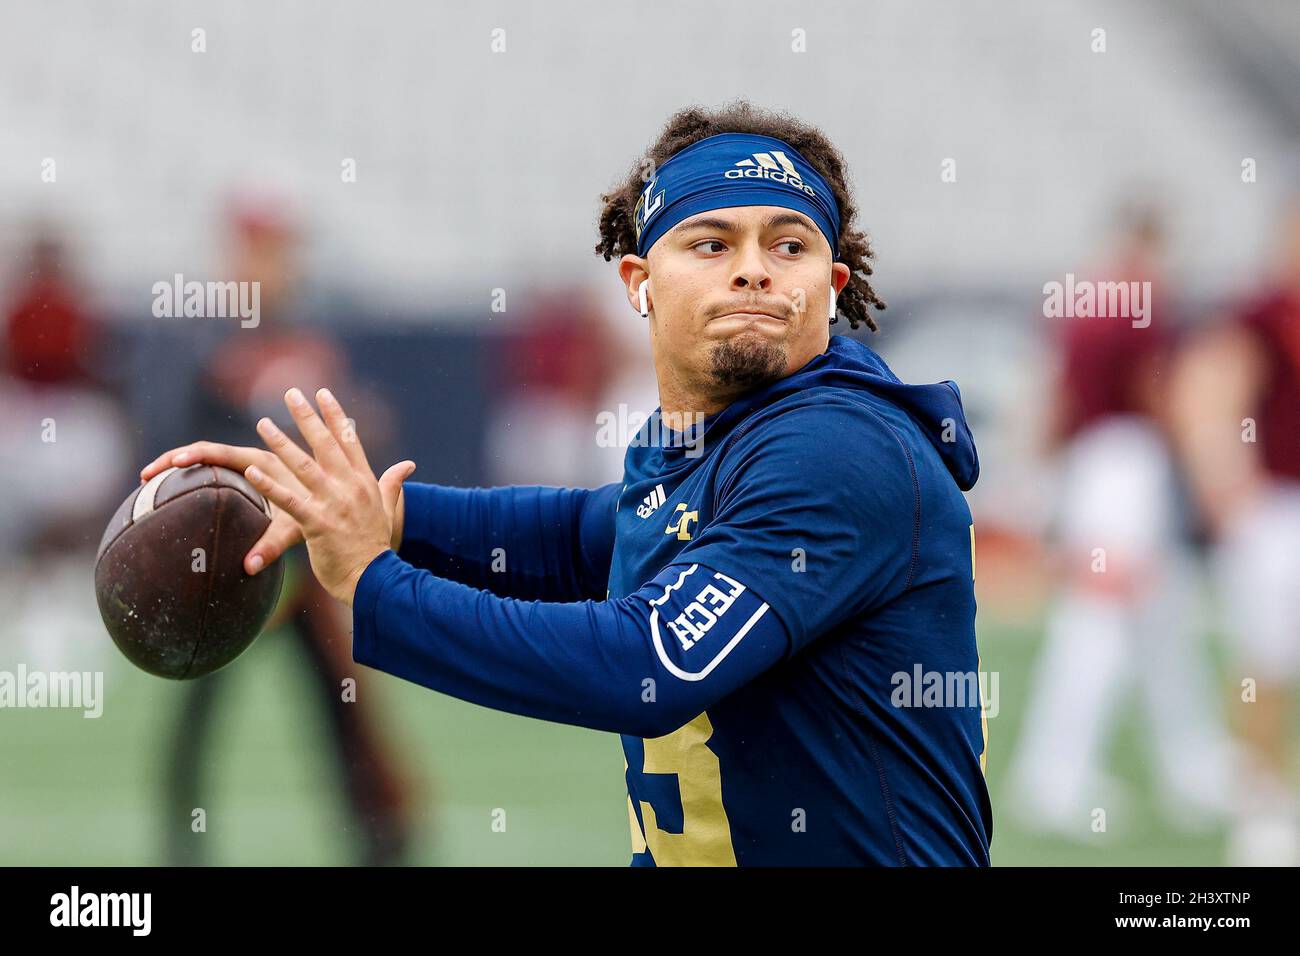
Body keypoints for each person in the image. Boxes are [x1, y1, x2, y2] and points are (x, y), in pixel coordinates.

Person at [141, 101, 992, 866]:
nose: (755, 269)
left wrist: (375, 582)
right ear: (639, 284)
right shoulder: (705, 433)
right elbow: (596, 533)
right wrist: (384, 512)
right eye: (711, 243)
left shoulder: (837, 450)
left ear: (831, 286)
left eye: (790, 244)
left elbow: (645, 664)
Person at [1172, 194, 1300, 865]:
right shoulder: (1262, 310)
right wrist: (1225, 481)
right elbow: (1207, 390)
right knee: (1267, 657)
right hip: (1277, 505)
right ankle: (1262, 797)